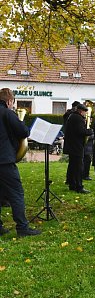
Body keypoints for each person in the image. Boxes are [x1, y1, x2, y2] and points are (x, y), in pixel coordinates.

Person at [0, 88, 41, 237]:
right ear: (9, 101)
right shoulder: (7, 113)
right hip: (4, 161)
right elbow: (24, 132)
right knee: (16, 193)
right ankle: (22, 228)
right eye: (13, 103)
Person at [63, 103, 93, 193]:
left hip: (72, 146)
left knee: (73, 166)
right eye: (85, 112)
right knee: (78, 167)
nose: (85, 114)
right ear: (81, 111)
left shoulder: (72, 116)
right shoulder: (78, 118)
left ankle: (72, 184)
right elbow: (81, 131)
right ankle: (79, 186)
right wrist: (90, 131)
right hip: (76, 146)